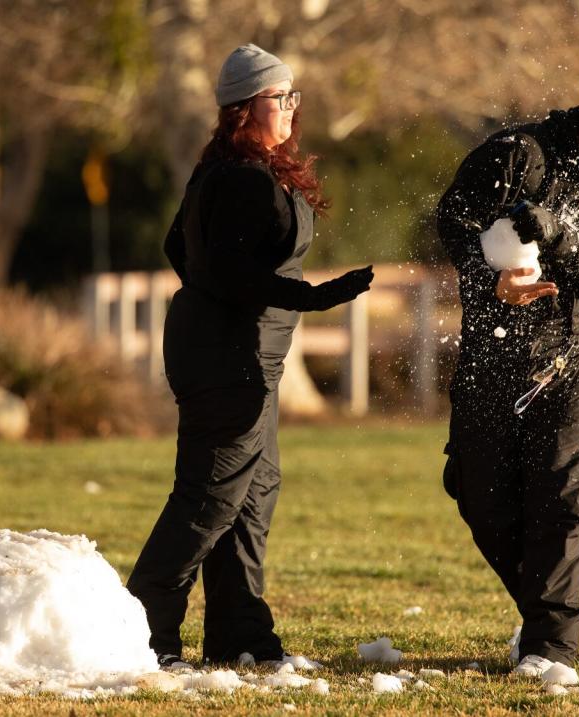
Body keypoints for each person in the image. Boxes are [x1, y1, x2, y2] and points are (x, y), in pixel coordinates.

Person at [127, 43, 373, 670]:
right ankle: (142, 635)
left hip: (245, 353)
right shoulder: (237, 175)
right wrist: (308, 297)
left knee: (253, 492)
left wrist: (253, 300)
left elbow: (178, 248)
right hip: (227, 358)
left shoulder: (236, 168)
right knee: (209, 497)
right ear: (243, 107)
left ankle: (243, 639)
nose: (292, 107)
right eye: (279, 97)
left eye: (294, 95)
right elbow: (223, 268)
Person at [436, 77, 579, 679]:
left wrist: (559, 236)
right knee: (478, 496)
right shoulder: (517, 155)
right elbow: (453, 221)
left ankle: (550, 649)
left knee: (562, 504)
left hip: (574, 361)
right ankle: (545, 619)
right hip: (493, 357)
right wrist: (490, 282)